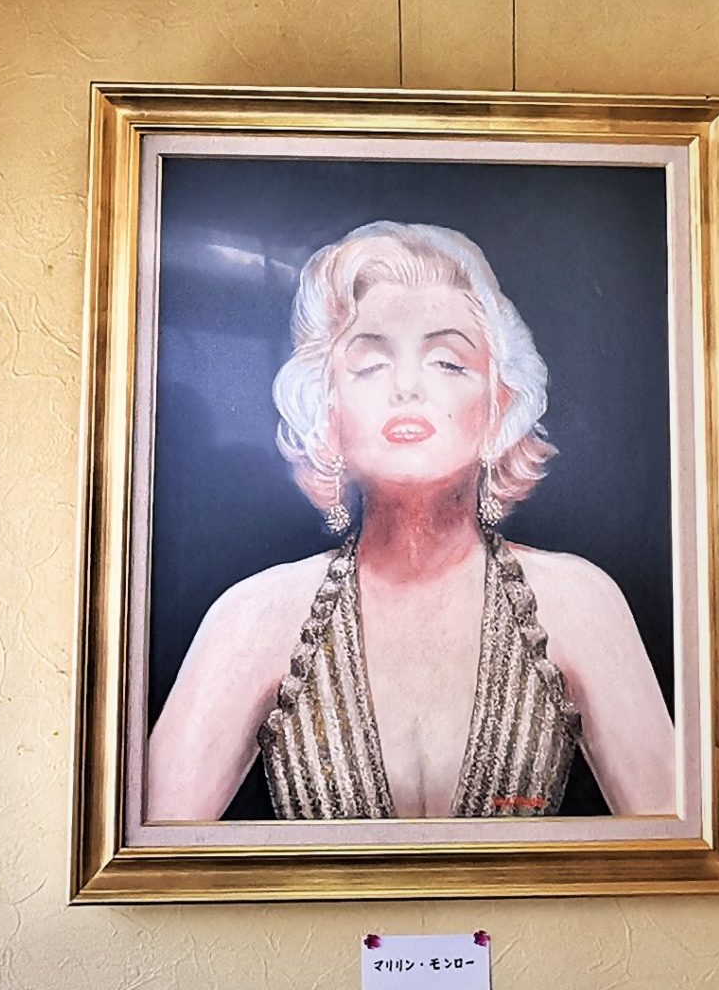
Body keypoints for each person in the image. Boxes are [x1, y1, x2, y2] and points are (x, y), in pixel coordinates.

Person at [145, 221, 676, 820]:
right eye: (370, 365)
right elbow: (144, 856)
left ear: (499, 406)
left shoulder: (581, 604)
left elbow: (680, 850)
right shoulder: (250, 618)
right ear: (328, 414)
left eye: (447, 362)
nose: (405, 386)